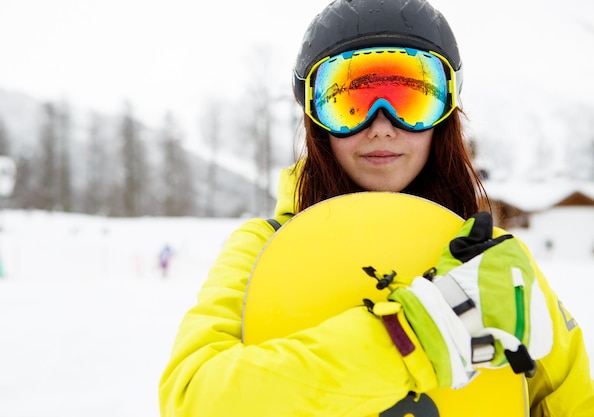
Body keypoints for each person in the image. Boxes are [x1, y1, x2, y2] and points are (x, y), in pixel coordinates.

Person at [159, 0, 594, 415]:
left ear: (445, 113)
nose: (382, 127)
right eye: (349, 102)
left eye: (411, 97)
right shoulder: (262, 250)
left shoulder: (492, 261)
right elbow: (194, 399)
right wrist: (417, 337)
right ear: (315, 120)